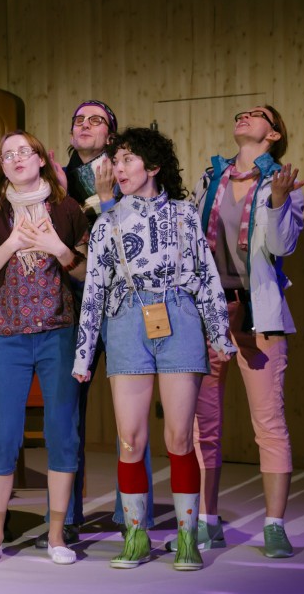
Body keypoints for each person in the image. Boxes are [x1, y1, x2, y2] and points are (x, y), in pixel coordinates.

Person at [72, 127, 235, 571]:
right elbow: (94, 293)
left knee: (179, 437)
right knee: (130, 439)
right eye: (116, 160)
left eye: (127, 159)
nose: (118, 168)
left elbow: (206, 277)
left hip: (179, 316)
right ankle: (136, 536)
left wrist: (221, 335)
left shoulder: (185, 214)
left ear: (154, 166)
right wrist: (84, 356)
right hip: (126, 320)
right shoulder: (107, 223)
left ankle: (187, 538)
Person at [0, 131, 90, 566]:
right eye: (8, 154)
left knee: (62, 432)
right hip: (5, 334)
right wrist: (14, 243)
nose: (17, 158)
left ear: (41, 159)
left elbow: (86, 272)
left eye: (25, 151)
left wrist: (57, 248)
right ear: (1, 166)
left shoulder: (67, 208)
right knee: (2, 435)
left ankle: (57, 534)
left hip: (58, 332)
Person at [187, 105, 304, 558]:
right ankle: (206, 521)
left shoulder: (282, 183)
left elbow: (281, 245)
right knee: (203, 425)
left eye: (257, 115)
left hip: (258, 314)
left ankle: (274, 525)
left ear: (273, 134)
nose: (245, 116)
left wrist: (277, 201)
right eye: (241, 112)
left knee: (269, 423)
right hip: (209, 312)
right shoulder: (210, 179)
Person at [52, 101, 156, 546]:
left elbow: (138, 231)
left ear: (111, 135)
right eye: (79, 119)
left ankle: (132, 513)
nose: (85, 124)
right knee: (67, 411)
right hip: (69, 301)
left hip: (123, 302)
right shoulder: (53, 178)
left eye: (96, 119)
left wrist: (105, 197)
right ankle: (66, 515)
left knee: (131, 414)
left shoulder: (129, 173)